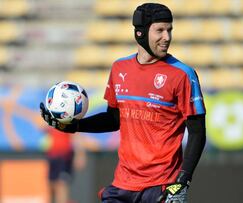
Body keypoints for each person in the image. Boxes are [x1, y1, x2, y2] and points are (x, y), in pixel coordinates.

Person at [40, 2, 206, 203]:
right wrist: (74, 126)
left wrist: (183, 181)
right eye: (160, 30)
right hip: (122, 185)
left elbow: (197, 132)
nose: (167, 37)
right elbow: (113, 119)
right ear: (140, 33)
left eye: (170, 30)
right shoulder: (120, 68)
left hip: (161, 186)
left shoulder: (183, 75)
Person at [44, 127, 86, 203]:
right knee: (52, 184)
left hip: (64, 156)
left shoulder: (67, 119)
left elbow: (77, 135)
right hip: (52, 156)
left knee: (62, 183)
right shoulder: (51, 119)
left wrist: (80, 155)